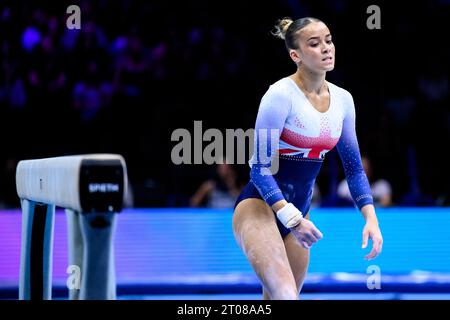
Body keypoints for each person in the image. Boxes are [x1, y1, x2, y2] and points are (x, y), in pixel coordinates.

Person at [232, 17, 383, 300]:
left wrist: (370, 218)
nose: (326, 48)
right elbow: (259, 168)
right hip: (260, 207)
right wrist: (291, 217)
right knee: (286, 296)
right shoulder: (280, 96)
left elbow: (354, 169)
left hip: (301, 212)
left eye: (328, 39)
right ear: (295, 55)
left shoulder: (343, 101)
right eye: (314, 44)